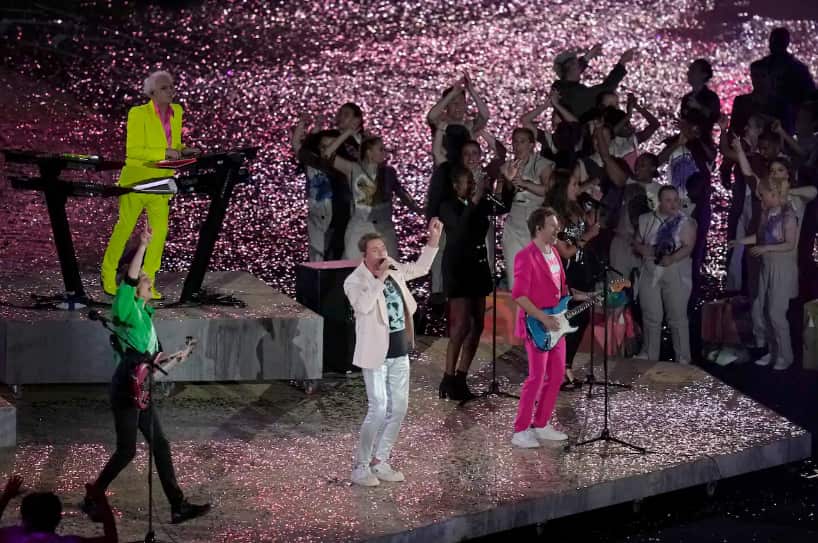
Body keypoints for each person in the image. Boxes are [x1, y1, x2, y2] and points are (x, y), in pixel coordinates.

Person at [84, 226, 210, 524]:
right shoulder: (125, 308)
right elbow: (129, 278)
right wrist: (141, 246)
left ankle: (177, 506)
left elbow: (155, 360)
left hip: (142, 388)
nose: (148, 280)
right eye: (144, 278)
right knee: (126, 451)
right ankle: (93, 496)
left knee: (161, 445)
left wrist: (179, 357)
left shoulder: (146, 316)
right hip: (126, 391)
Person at [345, 219, 442, 486]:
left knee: (399, 408)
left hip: (399, 348)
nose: (382, 253)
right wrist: (379, 278)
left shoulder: (394, 269)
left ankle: (381, 460)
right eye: (376, 250)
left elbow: (421, 268)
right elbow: (363, 306)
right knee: (378, 408)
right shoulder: (354, 281)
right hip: (375, 353)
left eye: (383, 248)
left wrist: (433, 240)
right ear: (365, 255)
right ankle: (360, 466)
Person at [100, 70, 199, 300]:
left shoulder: (177, 112)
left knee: (159, 233)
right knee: (124, 229)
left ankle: (148, 282)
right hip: (136, 181)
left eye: (172, 86)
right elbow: (132, 151)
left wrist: (184, 150)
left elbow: (172, 143)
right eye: (165, 87)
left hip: (162, 181)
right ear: (152, 92)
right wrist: (163, 152)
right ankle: (108, 273)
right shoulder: (138, 113)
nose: (171, 91)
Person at [730, 138, 817, 369]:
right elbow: (750, 176)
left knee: (776, 313)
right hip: (767, 261)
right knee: (765, 311)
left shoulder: (794, 198)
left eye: (780, 170)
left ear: (789, 173)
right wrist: (739, 150)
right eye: (773, 171)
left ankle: (784, 355)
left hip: (784, 261)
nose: (775, 174)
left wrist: (785, 189)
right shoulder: (769, 198)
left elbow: (814, 191)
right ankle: (772, 350)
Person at [438, 165, 512, 401]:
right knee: (460, 326)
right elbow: (458, 231)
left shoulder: (480, 203)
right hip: (458, 268)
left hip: (477, 267)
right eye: (467, 182)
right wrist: (474, 201)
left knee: (477, 325)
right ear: (455, 185)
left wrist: (505, 183)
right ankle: (448, 378)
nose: (471, 186)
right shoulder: (448, 206)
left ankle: (461, 376)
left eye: (473, 181)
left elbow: (502, 207)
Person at [510, 207, 572, 448]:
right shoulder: (526, 256)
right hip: (537, 323)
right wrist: (543, 318)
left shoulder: (555, 252)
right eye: (552, 225)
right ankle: (521, 429)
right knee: (536, 377)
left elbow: (560, 288)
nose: (557, 229)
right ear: (538, 228)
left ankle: (541, 423)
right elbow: (519, 295)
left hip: (557, 324)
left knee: (556, 375)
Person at [323, 131, 423, 260]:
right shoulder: (354, 169)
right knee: (354, 267)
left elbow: (402, 193)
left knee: (388, 269)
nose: (385, 153)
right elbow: (327, 154)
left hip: (384, 227)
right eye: (381, 149)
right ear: (369, 152)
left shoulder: (388, 172)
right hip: (360, 226)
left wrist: (418, 209)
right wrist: (347, 133)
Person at [547, 168, 601, 389]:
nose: (578, 188)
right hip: (565, 271)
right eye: (573, 184)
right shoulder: (551, 214)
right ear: (562, 188)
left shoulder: (575, 208)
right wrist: (587, 236)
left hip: (582, 268)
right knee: (568, 320)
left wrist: (593, 214)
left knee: (581, 319)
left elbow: (583, 232)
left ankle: (566, 366)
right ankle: (556, 371)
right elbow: (564, 251)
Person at [633, 186, 697, 364]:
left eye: (676, 199)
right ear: (660, 201)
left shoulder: (686, 222)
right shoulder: (646, 219)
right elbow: (637, 241)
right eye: (668, 200)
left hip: (674, 270)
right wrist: (644, 249)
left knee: (677, 317)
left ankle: (683, 358)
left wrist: (672, 258)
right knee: (651, 315)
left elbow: (688, 246)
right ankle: (648, 354)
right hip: (650, 269)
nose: (673, 203)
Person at [501, 127, 554, 288]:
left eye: (522, 141)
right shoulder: (507, 166)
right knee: (515, 279)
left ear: (531, 145)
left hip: (535, 221)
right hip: (514, 222)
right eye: (515, 141)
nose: (517, 145)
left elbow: (548, 189)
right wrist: (508, 181)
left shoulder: (542, 164)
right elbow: (503, 196)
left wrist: (525, 184)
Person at [0, 476, 117, 542]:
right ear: (58, 518)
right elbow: (111, 540)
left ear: (23, 516)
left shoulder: (10, 537)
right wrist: (102, 500)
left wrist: (6, 497)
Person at [292, 120, 346, 261]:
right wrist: (304, 122)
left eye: (333, 146)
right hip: (317, 213)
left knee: (334, 253)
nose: (327, 150)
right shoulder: (312, 163)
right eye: (323, 147)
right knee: (317, 253)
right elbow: (297, 144)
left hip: (337, 215)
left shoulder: (341, 166)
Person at [551, 45, 636, 118]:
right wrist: (622, 62)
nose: (580, 69)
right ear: (572, 68)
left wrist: (589, 56)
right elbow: (606, 87)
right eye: (577, 65)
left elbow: (573, 70)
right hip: (587, 129)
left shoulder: (560, 86)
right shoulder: (578, 93)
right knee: (609, 98)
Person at [757, 27, 816, 132]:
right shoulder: (799, 68)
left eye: (775, 42)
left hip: (786, 121)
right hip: (786, 122)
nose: (772, 45)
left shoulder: (761, 66)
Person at [680, 59, 721, 148]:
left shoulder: (711, 97)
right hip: (686, 143)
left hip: (703, 145)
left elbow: (714, 117)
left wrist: (699, 107)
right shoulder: (686, 98)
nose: (689, 73)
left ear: (704, 75)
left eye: (693, 70)